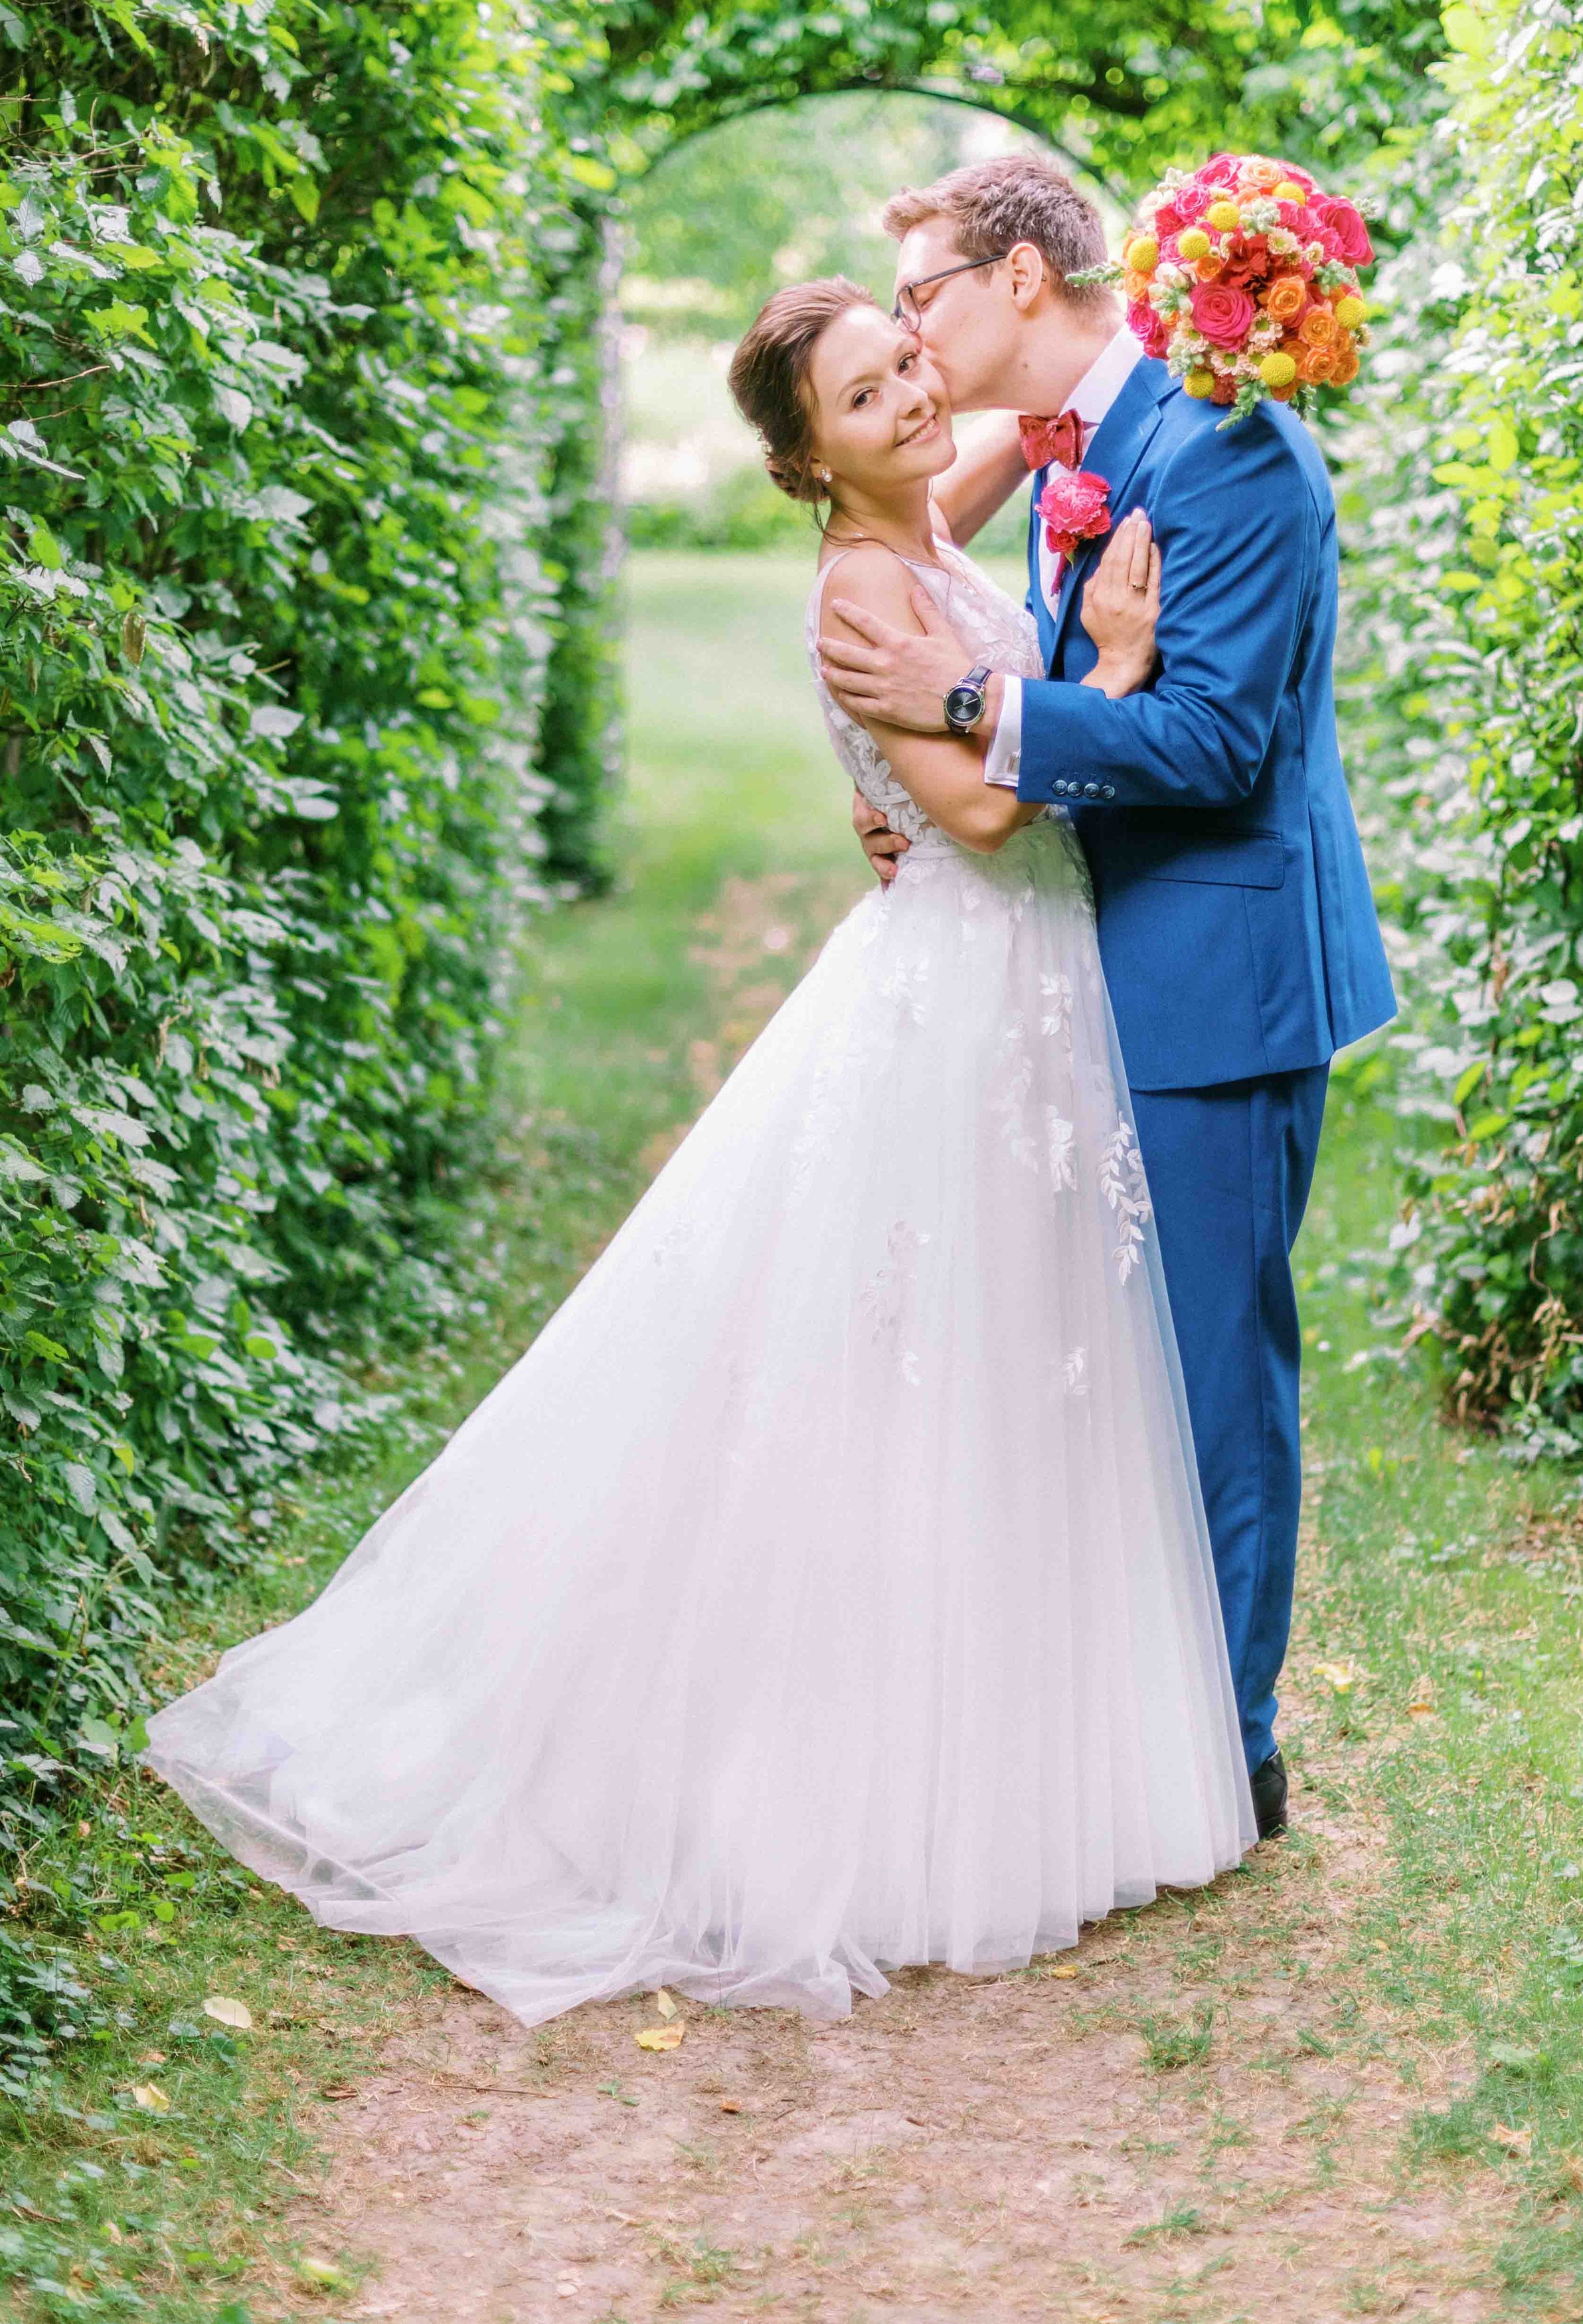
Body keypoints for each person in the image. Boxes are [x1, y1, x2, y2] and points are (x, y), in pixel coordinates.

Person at [144, 277, 1255, 2029]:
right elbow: (973, 809)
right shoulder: (862, 592)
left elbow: (1005, 469)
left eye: (904, 364)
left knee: (1026, 1357)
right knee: (905, 1365)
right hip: (961, 993)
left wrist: (1090, 414)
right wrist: (1108, 666)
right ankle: (839, 1780)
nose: (904, 397)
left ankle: (1028, 1733)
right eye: (862, 393)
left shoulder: (930, 521)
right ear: (803, 459)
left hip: (1033, 993)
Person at [818, 155, 1396, 1840]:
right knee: (1095, 1363)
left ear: (1014, 276)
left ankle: (1227, 1750)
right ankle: (1116, 1715)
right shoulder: (1082, 451)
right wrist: (931, 783)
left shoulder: (1227, 450)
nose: (913, 338)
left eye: (920, 295)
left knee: (1210, 1366)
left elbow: (1217, 746)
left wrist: (977, 707)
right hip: (1078, 963)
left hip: (1213, 975)